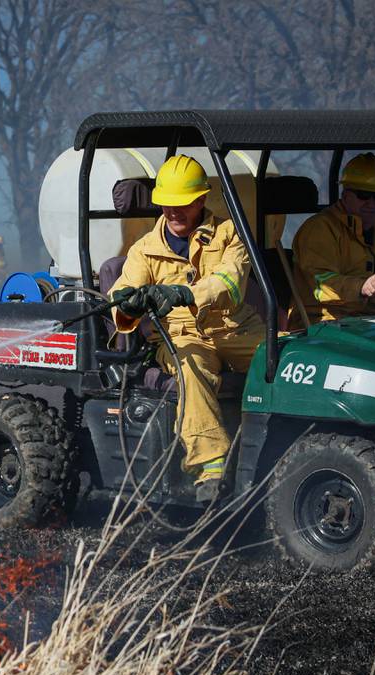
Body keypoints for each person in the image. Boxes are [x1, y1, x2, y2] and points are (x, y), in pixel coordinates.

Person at [109, 154, 261, 503]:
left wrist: (184, 292)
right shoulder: (144, 250)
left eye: (183, 205)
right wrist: (127, 303)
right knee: (190, 367)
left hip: (235, 329)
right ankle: (210, 468)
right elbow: (121, 292)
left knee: (287, 357)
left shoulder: (230, 233)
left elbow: (231, 282)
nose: (174, 213)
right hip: (181, 336)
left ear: (202, 199)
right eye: (166, 205)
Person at [293, 153, 375, 322]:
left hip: (373, 324)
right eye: (363, 195)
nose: (371, 203)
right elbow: (320, 282)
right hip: (321, 325)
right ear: (346, 194)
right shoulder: (320, 230)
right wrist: (361, 287)